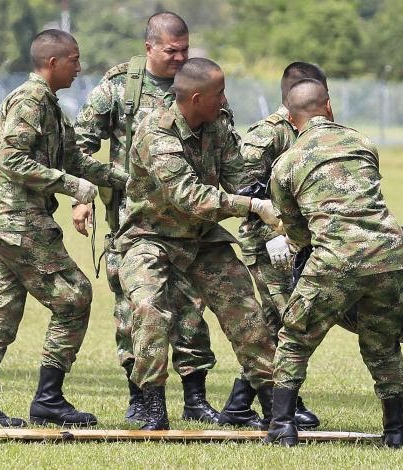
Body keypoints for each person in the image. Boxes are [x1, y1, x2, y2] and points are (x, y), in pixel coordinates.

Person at [0, 29, 129, 428]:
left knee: (0, 312)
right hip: (19, 223)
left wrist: (127, 180)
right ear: (52, 63)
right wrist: (71, 186)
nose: (79, 67)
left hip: (3, 226)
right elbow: (12, 161)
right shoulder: (31, 100)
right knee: (75, 297)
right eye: (74, 59)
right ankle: (49, 398)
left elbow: (74, 159)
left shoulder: (49, 105)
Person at [115, 57, 279, 430]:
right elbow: (188, 196)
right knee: (149, 309)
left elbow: (241, 178)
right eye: (218, 93)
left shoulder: (218, 126)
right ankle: (152, 404)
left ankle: (275, 403)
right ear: (195, 97)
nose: (224, 100)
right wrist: (251, 205)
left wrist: (276, 210)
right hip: (150, 236)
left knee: (246, 311)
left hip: (202, 238)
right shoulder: (155, 132)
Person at [73, 12, 219, 425]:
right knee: (136, 309)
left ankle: (196, 398)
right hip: (131, 221)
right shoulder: (121, 87)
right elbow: (79, 144)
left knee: (191, 309)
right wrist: (85, 194)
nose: (179, 58)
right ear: (149, 47)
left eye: (185, 50)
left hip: (189, 220)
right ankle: (141, 397)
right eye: (172, 51)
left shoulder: (195, 83)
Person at [265, 79, 403, 447]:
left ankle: (282, 427)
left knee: (295, 338)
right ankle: (395, 433)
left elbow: (298, 233)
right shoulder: (364, 143)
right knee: (383, 346)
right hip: (390, 257)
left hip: (335, 260)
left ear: (289, 117)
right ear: (328, 107)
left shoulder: (286, 165)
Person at [220, 62, 327, 429]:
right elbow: (244, 192)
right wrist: (276, 235)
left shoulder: (306, 131)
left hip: (292, 240)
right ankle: (288, 402)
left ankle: (237, 405)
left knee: (270, 322)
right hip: (268, 244)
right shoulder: (267, 135)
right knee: (287, 320)